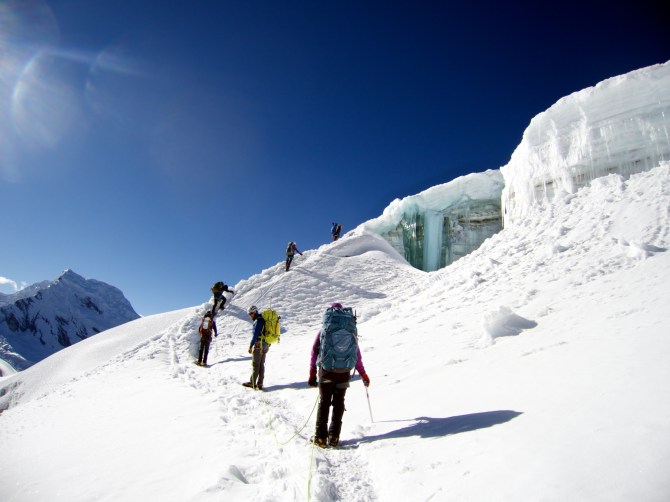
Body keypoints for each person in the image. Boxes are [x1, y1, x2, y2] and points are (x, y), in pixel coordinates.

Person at [308, 303, 370, 448]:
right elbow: (356, 354)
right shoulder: (350, 330)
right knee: (339, 403)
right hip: (344, 372)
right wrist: (363, 373)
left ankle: (320, 438)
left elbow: (314, 352)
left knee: (324, 403)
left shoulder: (325, 330)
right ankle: (334, 436)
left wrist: (312, 372)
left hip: (327, 371)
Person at [243, 306, 269, 390]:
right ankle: (260, 384)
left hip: (258, 344)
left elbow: (255, 335)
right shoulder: (263, 320)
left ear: (255, 312)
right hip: (265, 344)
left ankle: (253, 383)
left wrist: (251, 345)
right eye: (249, 314)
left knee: (256, 365)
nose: (250, 315)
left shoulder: (258, 321)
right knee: (261, 364)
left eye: (251, 313)